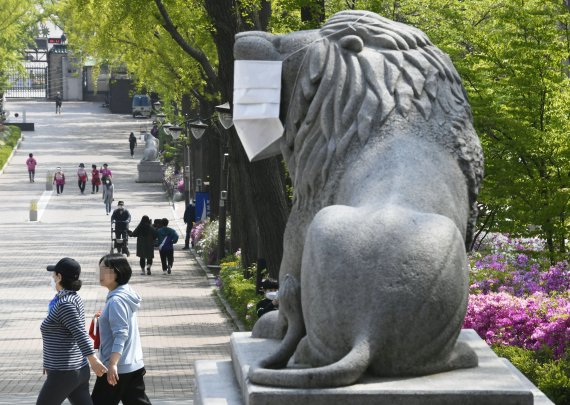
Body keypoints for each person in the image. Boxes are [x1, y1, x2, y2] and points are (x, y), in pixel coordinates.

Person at [37, 257, 108, 405]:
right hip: (75, 369)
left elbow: (79, 333)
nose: (52, 277)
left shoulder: (65, 303)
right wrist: (48, 361)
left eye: (54, 274)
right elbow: (63, 333)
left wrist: (93, 360)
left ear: (59, 277)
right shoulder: (71, 298)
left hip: (64, 371)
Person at [91, 254, 151, 405]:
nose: (100, 274)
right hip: (132, 364)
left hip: (117, 369)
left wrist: (112, 364)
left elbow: (121, 334)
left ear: (117, 272)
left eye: (104, 269)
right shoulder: (126, 293)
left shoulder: (116, 300)